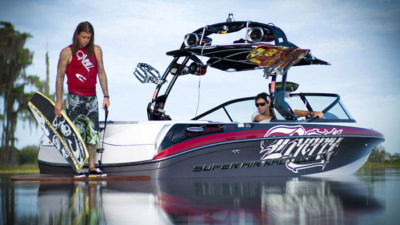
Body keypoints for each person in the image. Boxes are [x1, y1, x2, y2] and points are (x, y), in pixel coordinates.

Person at [55, 21, 110, 176]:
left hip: (92, 97)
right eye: (83, 37)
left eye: (88, 37)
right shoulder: (67, 52)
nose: (86, 40)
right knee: (77, 133)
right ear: (77, 35)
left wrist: (106, 95)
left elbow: (101, 73)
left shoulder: (96, 51)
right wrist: (59, 101)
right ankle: (78, 167)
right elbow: (59, 78)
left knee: (93, 133)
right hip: (75, 98)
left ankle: (92, 167)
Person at [252, 92, 323, 122]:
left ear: (268, 103)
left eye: (262, 104)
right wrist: (284, 117)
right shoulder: (256, 114)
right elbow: (259, 118)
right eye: (257, 105)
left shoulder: (277, 112)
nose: (259, 107)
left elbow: (294, 112)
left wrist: (312, 113)